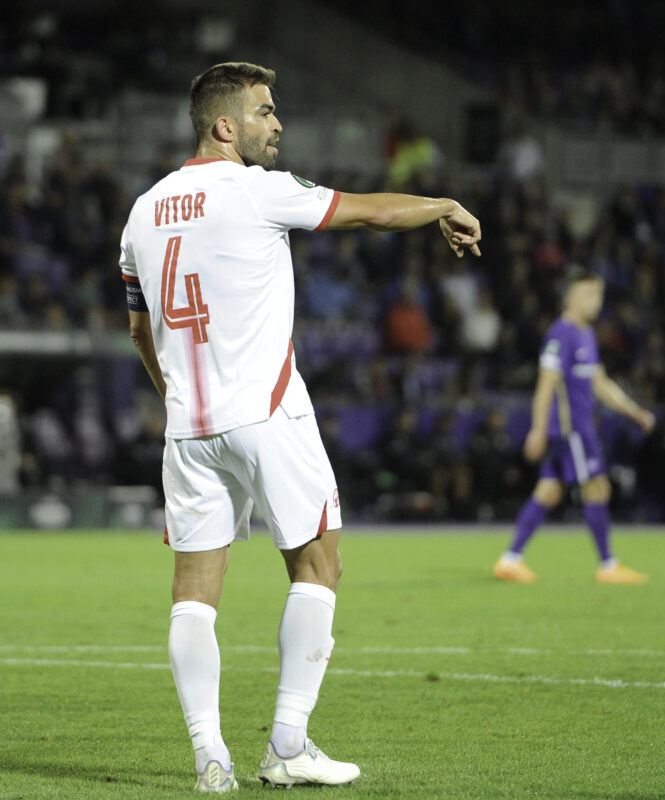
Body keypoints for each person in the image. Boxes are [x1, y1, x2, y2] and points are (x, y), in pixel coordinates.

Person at [119, 62, 481, 793]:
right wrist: (442, 203)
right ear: (226, 126)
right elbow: (373, 213)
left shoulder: (142, 211)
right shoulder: (258, 190)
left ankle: (210, 760)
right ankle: (285, 745)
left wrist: (175, 397)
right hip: (268, 409)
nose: (277, 123)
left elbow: (138, 329)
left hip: (188, 428)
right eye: (265, 111)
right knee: (319, 566)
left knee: (193, 593)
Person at [493, 265, 653, 586]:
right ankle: (608, 565)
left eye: (598, 294)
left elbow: (600, 383)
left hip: (574, 429)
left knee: (549, 491)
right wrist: (538, 429)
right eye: (588, 294)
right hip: (572, 430)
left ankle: (510, 559)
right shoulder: (561, 334)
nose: (596, 301)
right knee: (597, 486)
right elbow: (545, 384)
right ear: (570, 297)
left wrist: (635, 412)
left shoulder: (586, 334)